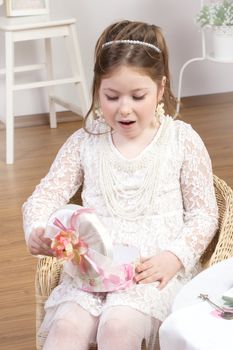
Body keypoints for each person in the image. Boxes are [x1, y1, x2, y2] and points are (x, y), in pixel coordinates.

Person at [22, 20, 218, 350]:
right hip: (91, 273)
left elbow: (204, 213)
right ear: (97, 90)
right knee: (66, 328)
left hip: (150, 273)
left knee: (117, 327)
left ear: (160, 88)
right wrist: (38, 228)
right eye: (111, 96)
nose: (123, 108)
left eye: (137, 96)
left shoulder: (181, 140)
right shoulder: (85, 142)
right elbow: (47, 193)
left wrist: (174, 256)